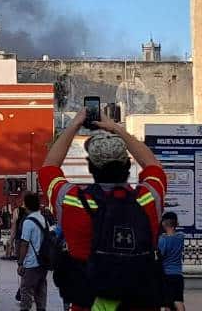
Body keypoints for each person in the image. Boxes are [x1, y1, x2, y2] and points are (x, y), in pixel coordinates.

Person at [40, 109, 167, 311]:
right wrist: (116, 128)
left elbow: (49, 168)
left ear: (91, 167)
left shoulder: (73, 202)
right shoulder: (148, 199)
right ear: (128, 165)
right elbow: (153, 165)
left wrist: (75, 124)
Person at [16, 192, 48, 311]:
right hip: (43, 262)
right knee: (41, 291)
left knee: (26, 291)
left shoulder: (28, 222)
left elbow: (24, 244)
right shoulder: (43, 219)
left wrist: (20, 263)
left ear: (27, 205)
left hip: (31, 263)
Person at [158, 212, 186, 311]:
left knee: (167, 303)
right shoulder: (180, 236)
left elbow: (160, 255)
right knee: (178, 301)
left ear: (164, 223)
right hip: (178, 274)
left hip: (167, 275)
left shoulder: (163, 240)